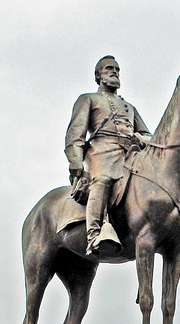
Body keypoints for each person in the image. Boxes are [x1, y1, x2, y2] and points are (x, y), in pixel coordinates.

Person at [65, 55, 151, 256]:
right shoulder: (88, 99)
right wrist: (75, 159)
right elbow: (75, 132)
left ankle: (174, 236)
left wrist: (139, 138)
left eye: (117, 69)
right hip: (101, 152)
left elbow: (147, 135)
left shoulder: (130, 107)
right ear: (98, 75)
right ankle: (94, 234)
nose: (115, 72)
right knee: (102, 180)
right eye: (109, 69)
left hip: (130, 154)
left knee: (156, 181)